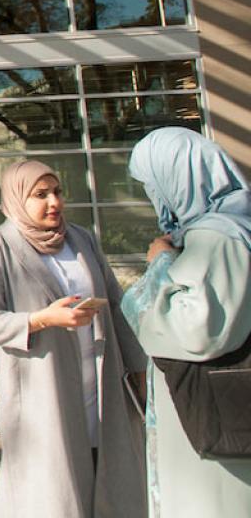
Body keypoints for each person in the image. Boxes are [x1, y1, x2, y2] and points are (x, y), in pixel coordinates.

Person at [0, 160, 146, 518]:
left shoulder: (80, 239)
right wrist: (41, 319)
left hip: (99, 381)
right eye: (40, 195)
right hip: (42, 389)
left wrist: (138, 369)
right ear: (18, 199)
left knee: (109, 474)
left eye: (57, 192)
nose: (54, 203)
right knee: (52, 490)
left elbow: (116, 304)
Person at [120, 128, 251, 517]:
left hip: (216, 424)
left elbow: (198, 330)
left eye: (152, 184)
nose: (152, 197)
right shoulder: (227, 227)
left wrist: (158, 265)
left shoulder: (218, 236)